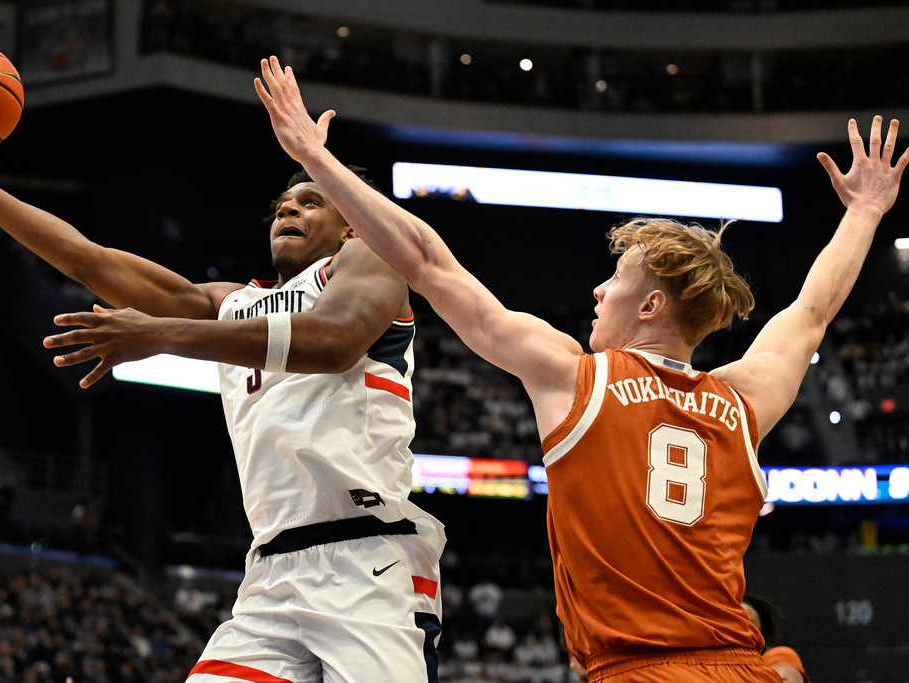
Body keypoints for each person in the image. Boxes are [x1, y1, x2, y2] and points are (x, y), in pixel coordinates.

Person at [254, 55, 909, 681]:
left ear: (651, 304)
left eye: (614, 280)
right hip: (738, 661)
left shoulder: (573, 376)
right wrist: (865, 211)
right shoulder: (743, 399)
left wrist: (316, 158)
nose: (597, 292)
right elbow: (814, 309)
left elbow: (426, 262)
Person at [0, 99, 444, 683]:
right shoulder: (231, 303)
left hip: (370, 560)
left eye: (311, 201)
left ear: (351, 223)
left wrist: (159, 334)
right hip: (271, 574)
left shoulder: (372, 257)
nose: (288, 207)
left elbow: (334, 341)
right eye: (281, 205)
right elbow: (89, 259)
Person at [743, 595, 811, 683]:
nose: (738, 626)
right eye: (731, 618)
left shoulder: (779, 656)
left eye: (748, 621)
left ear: (761, 633)